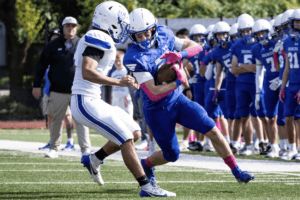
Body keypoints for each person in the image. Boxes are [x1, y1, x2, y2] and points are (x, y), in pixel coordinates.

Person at [123, 8, 255, 194]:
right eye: (138, 36)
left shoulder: (164, 34)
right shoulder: (133, 57)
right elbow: (153, 92)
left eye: (146, 33)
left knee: (213, 129)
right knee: (172, 155)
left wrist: (181, 56)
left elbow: (196, 46)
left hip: (178, 101)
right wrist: (178, 81)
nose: (143, 38)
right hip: (157, 110)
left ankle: (237, 171)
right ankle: (146, 164)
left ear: (153, 29)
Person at [70, 1, 175, 197]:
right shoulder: (98, 36)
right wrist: (118, 82)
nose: (124, 26)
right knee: (126, 139)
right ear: (109, 21)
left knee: (134, 133)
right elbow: (87, 72)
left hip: (93, 99)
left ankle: (94, 159)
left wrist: (127, 81)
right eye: (121, 21)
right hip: (84, 101)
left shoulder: (100, 36)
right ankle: (146, 186)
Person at [32, 17, 91, 158]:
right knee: (56, 120)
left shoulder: (83, 44)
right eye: (67, 26)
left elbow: (92, 65)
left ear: (77, 28)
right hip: (58, 90)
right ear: (62, 28)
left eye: (73, 26)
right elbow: (41, 65)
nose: (70, 29)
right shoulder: (53, 45)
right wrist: (36, 85)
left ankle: (86, 149)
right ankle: (54, 148)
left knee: (81, 120)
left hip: (78, 90)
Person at [39, 29, 76, 151]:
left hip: (63, 90)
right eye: (52, 38)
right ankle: (52, 141)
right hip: (48, 90)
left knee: (67, 116)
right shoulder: (49, 51)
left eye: (57, 37)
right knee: (50, 115)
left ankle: (70, 141)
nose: (54, 40)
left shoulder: (64, 51)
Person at [252, 19, 281, 158]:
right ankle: (274, 146)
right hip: (269, 83)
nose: (260, 36)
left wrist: (281, 78)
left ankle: (290, 146)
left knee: (290, 116)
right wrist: (258, 92)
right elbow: (259, 71)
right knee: (270, 117)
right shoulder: (256, 48)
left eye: (263, 32)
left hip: (283, 81)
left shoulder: (277, 42)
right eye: (258, 33)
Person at [279, 9, 300, 160]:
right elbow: (287, 67)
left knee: (299, 119)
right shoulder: (287, 42)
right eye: (296, 22)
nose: (298, 25)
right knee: (288, 117)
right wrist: (282, 87)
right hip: (291, 85)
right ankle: (291, 149)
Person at [111, 50, 134, 117]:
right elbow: (113, 86)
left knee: (127, 116)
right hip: (115, 99)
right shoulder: (113, 74)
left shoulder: (127, 72)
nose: (118, 63)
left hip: (125, 98)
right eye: (115, 61)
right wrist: (111, 98)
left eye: (119, 61)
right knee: (116, 117)